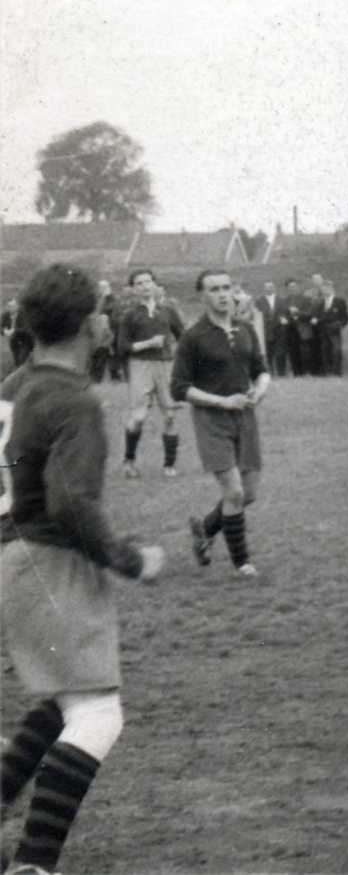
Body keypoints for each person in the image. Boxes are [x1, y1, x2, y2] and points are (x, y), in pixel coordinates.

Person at [0, 265, 169, 875]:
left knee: (66, 696)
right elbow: (70, 503)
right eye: (100, 310)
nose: (105, 319)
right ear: (86, 324)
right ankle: (34, 864)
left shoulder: (19, 383)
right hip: (48, 560)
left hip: (14, 555)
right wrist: (130, 559)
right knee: (98, 714)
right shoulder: (72, 397)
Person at [174, 270, 271, 578]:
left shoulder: (245, 329)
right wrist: (222, 401)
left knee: (249, 493)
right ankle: (242, 563)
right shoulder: (193, 337)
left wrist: (259, 391)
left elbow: (261, 370)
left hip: (245, 416)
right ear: (202, 296)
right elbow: (179, 388)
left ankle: (204, 529)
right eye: (215, 289)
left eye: (227, 288)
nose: (223, 294)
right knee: (235, 492)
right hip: (211, 419)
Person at [118, 269, 185, 479]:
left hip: (166, 365)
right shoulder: (130, 315)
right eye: (139, 283)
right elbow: (122, 347)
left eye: (148, 282)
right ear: (133, 289)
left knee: (170, 415)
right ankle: (129, 461)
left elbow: (183, 337)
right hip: (140, 365)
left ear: (154, 285)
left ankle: (169, 465)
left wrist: (183, 361)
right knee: (138, 417)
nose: (145, 286)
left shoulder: (168, 310)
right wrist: (148, 344)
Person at [315, 280, 348, 376]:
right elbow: (318, 316)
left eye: (327, 288)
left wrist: (339, 325)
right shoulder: (320, 303)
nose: (325, 290)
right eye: (324, 289)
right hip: (323, 331)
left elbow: (345, 318)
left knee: (337, 350)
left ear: (332, 288)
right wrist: (317, 321)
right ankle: (326, 372)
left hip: (335, 331)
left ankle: (337, 372)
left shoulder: (340, 301)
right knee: (324, 351)